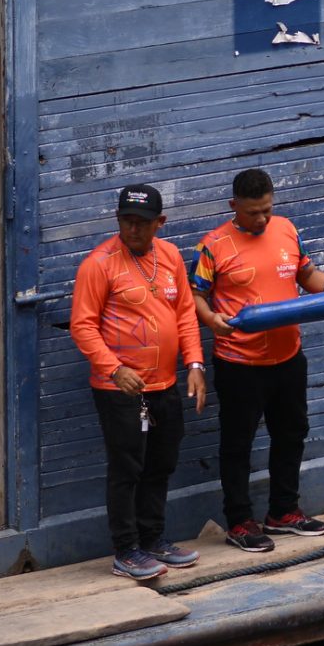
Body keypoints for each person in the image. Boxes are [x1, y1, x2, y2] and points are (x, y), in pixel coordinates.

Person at [193, 168, 324, 553]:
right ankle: (239, 521)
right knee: (238, 444)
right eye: (253, 213)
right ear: (234, 206)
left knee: (292, 432)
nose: (262, 219)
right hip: (239, 364)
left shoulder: (286, 229)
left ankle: (283, 511)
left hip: (287, 357)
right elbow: (195, 295)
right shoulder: (214, 246)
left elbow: (309, 275)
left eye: (267, 209)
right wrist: (211, 320)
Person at [70, 185, 208, 582]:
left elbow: (184, 312)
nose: (133, 229)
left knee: (160, 464)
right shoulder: (99, 265)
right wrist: (114, 368)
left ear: (159, 224)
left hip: (164, 385)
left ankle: (153, 539)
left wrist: (195, 364)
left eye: (142, 223)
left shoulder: (169, 257)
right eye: (126, 221)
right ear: (117, 221)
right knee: (126, 467)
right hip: (120, 390)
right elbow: (82, 325)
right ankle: (125, 550)